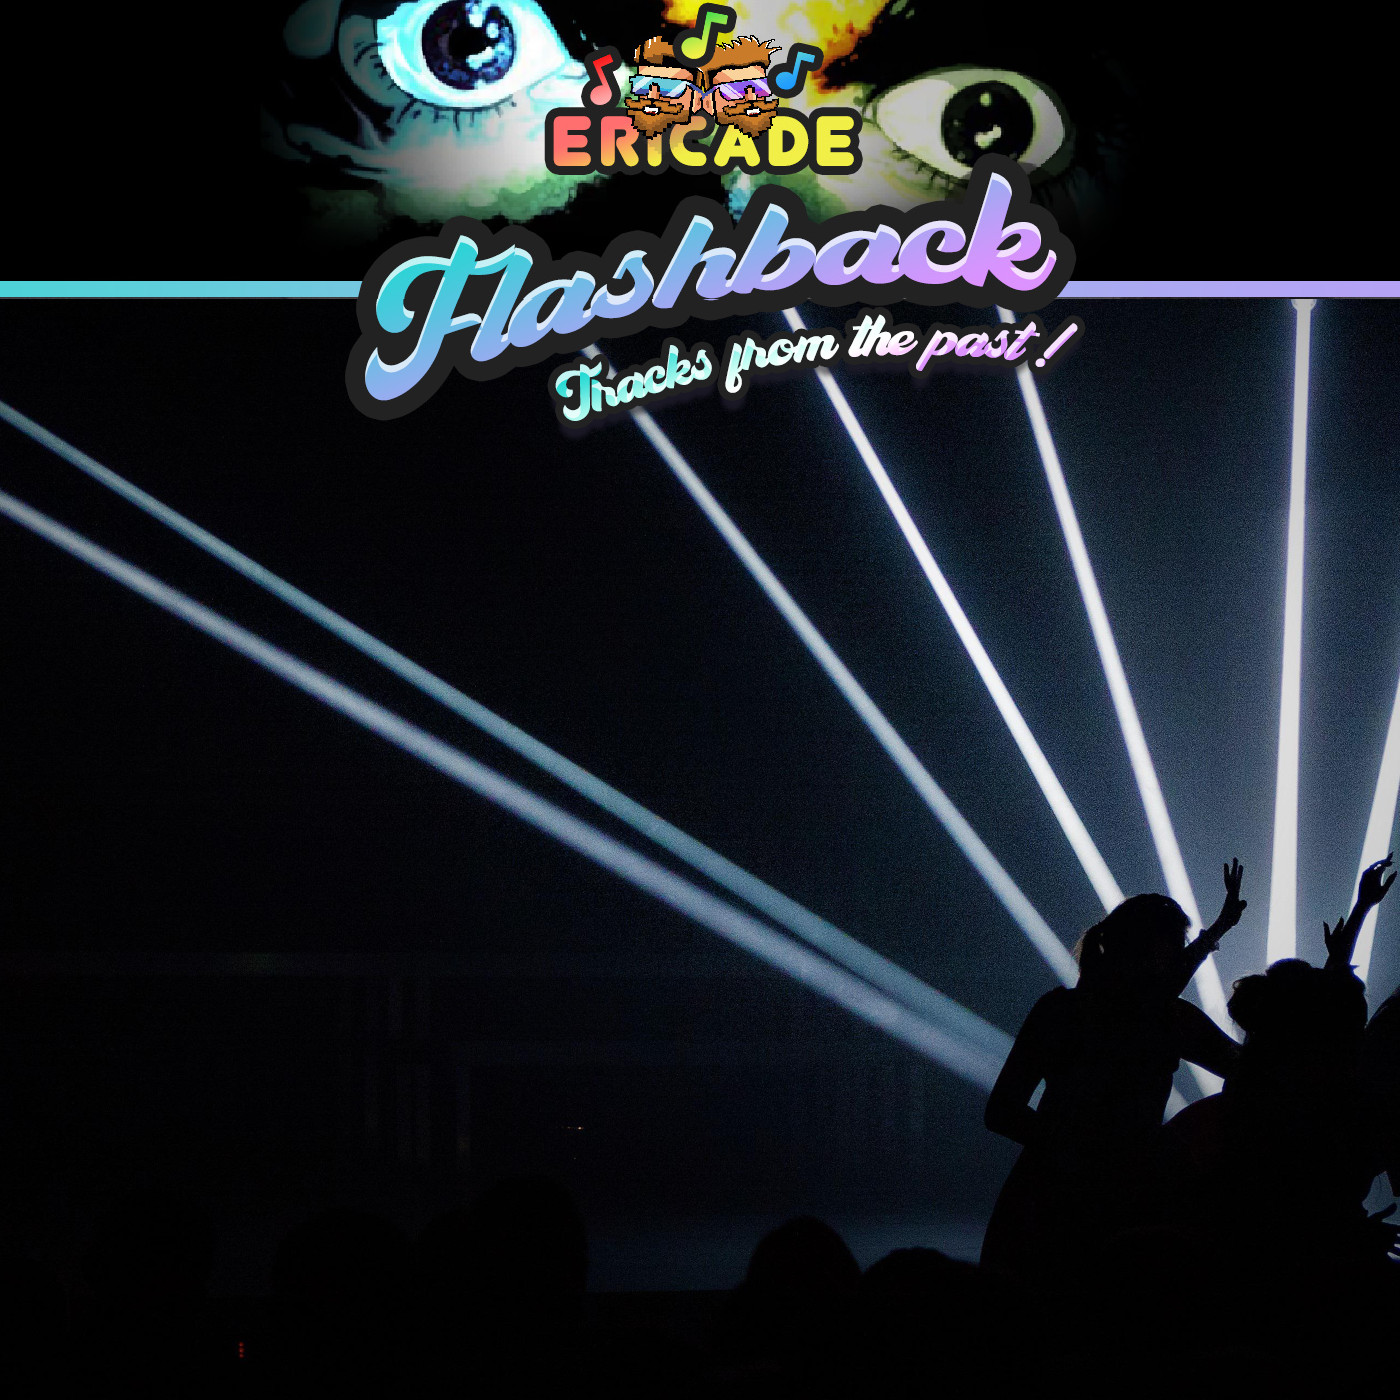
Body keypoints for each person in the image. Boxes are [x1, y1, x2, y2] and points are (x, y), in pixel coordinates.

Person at [980, 861, 1247, 1280]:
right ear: (1152, 954)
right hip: (1122, 1208)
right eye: (1173, 948)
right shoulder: (1167, 1019)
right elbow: (1256, 1071)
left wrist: (1067, 1150)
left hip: (1041, 1206)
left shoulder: (1060, 1011)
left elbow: (1001, 1110)